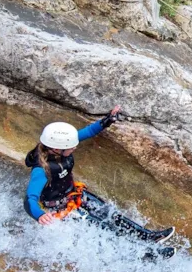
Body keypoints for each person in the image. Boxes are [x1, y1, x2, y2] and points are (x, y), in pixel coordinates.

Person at [24, 107, 175, 259]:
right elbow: (30, 199)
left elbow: (88, 131)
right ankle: (144, 254)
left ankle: (148, 236)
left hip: (75, 195)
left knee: (112, 215)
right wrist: (39, 215)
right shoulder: (41, 171)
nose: (75, 146)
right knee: (104, 228)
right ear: (57, 149)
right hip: (62, 209)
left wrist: (107, 120)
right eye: (71, 147)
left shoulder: (59, 146)